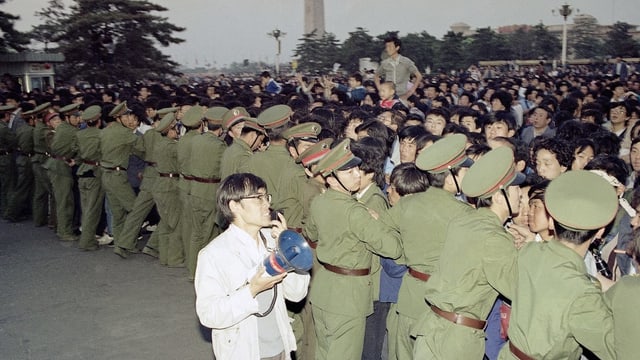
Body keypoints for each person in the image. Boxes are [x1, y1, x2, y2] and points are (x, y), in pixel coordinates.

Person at [413, 146, 524, 359]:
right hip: (457, 340)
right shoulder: (495, 238)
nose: (520, 192)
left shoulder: (464, 221)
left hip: (431, 328)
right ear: (500, 197)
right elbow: (518, 290)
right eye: (515, 188)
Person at [499, 171, 617, 360]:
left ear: (551, 222)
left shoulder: (529, 252)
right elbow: (614, 350)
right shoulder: (582, 292)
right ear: (600, 233)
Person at [194, 173, 310, 360]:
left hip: (279, 346)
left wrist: (289, 251)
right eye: (258, 198)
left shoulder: (273, 241)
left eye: (266, 197)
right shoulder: (214, 254)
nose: (267, 204)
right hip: (243, 351)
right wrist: (251, 291)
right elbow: (209, 315)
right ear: (234, 206)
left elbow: (296, 294)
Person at [306, 139, 402, 360]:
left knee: (324, 352)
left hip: (324, 289)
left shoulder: (319, 202)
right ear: (331, 178)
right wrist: (382, 223)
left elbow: (312, 235)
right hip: (349, 296)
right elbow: (393, 248)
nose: (357, 174)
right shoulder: (356, 212)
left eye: (357, 168)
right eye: (348, 172)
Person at [389, 134, 474, 360]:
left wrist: (401, 256)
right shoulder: (465, 214)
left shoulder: (408, 202)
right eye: (464, 171)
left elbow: (381, 233)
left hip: (409, 296)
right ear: (449, 178)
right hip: (442, 305)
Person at [75, 105, 104, 251]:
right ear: (98, 120)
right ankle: (87, 241)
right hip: (96, 172)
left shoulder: (79, 134)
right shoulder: (101, 134)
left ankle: (85, 238)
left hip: (82, 171)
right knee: (93, 209)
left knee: (85, 207)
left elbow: (77, 153)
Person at [374, 36, 423, 101]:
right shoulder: (384, 63)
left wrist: (410, 92)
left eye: (390, 47)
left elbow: (419, 76)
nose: (387, 49)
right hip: (388, 97)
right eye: (386, 47)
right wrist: (380, 89)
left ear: (397, 48)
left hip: (402, 96)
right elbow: (376, 76)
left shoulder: (406, 61)